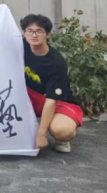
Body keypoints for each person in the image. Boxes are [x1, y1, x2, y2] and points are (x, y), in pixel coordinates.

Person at [21, 14, 82, 153]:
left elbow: (51, 101)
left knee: (62, 130)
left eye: (39, 31)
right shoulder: (21, 46)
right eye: (30, 31)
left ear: (47, 35)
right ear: (24, 33)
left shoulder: (56, 63)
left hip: (56, 101)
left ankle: (62, 138)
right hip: (30, 96)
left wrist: (41, 134)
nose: (34, 35)